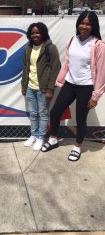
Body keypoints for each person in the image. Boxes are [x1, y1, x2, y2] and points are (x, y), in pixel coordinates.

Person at [41, 11, 105, 161]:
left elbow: (102, 72)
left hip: (86, 86)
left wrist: (96, 96)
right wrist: (60, 81)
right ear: (78, 24)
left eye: (88, 24)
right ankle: (53, 139)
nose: (84, 26)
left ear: (93, 26)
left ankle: (77, 146)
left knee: (81, 119)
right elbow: (68, 63)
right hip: (70, 83)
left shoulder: (98, 44)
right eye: (82, 23)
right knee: (55, 113)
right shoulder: (72, 40)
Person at [21, 22, 60, 151]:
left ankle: (41, 137)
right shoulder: (28, 48)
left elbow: (55, 68)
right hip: (30, 87)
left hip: (43, 89)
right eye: (32, 33)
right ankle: (33, 135)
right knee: (33, 113)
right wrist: (24, 85)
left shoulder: (50, 47)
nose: (35, 35)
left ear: (43, 33)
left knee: (42, 113)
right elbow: (26, 68)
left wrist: (50, 89)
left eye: (37, 32)